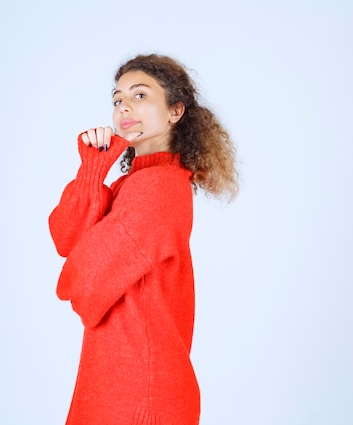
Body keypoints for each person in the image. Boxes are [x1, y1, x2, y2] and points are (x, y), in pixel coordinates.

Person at [49, 54, 238, 425]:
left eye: (139, 96)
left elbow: (85, 286)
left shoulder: (160, 188)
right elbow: (64, 237)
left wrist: (81, 264)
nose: (124, 108)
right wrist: (93, 167)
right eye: (118, 99)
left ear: (175, 111)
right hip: (116, 378)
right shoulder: (130, 184)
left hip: (140, 388)